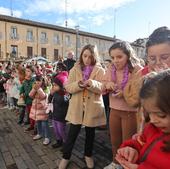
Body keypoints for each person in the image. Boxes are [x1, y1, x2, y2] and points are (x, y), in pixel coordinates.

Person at [59, 44, 106, 169]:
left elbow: (103, 88)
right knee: (72, 134)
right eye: (85, 56)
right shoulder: (74, 69)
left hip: (92, 107)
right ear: (81, 55)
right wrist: (78, 85)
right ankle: (65, 157)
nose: (87, 59)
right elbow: (68, 87)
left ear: (95, 57)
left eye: (90, 57)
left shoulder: (100, 70)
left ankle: (88, 155)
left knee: (90, 134)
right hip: (77, 107)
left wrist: (92, 83)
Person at [115, 69, 170, 169]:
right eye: (149, 113)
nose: (153, 120)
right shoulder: (152, 128)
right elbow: (141, 142)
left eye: (161, 115)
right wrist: (132, 150)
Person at [103, 41, 142, 169]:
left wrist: (124, 93)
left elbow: (139, 92)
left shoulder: (136, 70)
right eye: (113, 57)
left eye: (119, 57)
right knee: (114, 141)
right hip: (114, 110)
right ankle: (115, 162)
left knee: (128, 144)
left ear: (128, 55)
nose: (115, 61)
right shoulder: (110, 68)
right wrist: (107, 85)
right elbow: (102, 85)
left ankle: (126, 165)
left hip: (130, 112)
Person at [49, 71, 69, 149]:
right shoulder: (55, 92)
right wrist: (50, 94)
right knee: (56, 129)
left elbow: (64, 103)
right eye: (53, 85)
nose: (53, 87)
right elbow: (49, 101)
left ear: (61, 86)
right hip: (55, 115)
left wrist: (59, 94)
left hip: (61, 116)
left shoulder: (65, 94)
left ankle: (65, 143)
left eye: (55, 85)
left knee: (61, 130)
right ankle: (59, 141)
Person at [29, 75, 50, 145]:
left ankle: (47, 137)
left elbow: (43, 96)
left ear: (43, 81)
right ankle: (39, 134)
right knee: (38, 123)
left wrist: (38, 89)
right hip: (36, 110)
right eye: (36, 81)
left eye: (39, 81)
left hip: (43, 109)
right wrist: (34, 89)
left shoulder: (46, 88)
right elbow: (30, 95)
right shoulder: (35, 87)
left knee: (45, 124)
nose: (37, 82)